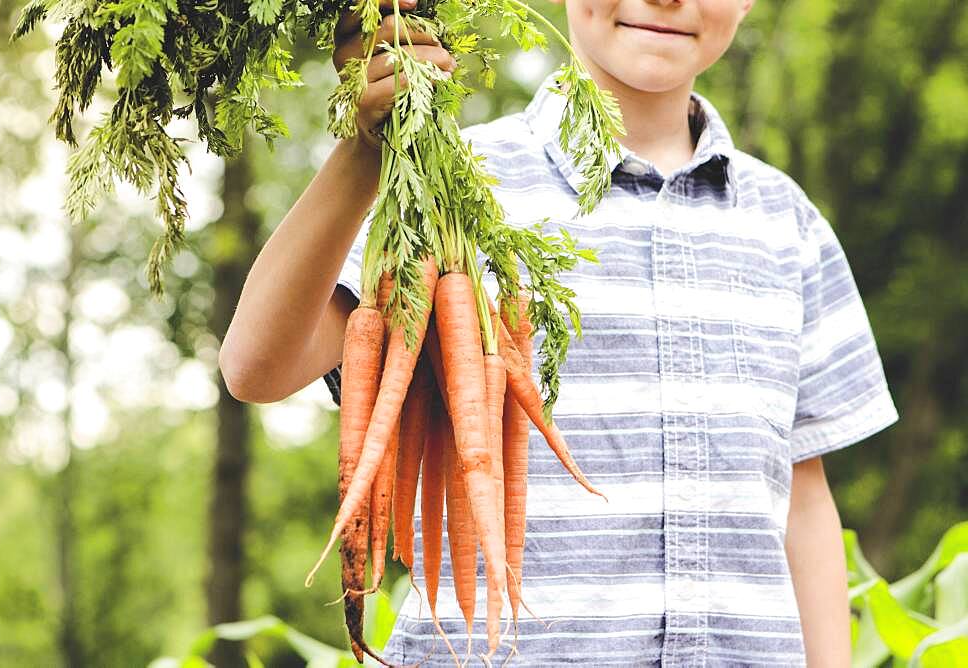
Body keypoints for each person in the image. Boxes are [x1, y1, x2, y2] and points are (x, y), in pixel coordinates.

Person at [218, 0, 900, 664]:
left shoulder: (788, 224)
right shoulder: (448, 184)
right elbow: (257, 369)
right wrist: (363, 155)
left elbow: (804, 495)